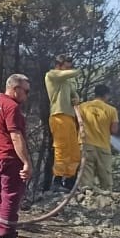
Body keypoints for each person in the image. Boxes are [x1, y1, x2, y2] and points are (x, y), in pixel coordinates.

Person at [0, 73, 34, 238]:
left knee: (2, 197)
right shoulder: (11, 107)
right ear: (15, 89)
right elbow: (15, 136)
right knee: (11, 197)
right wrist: (26, 162)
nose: (27, 96)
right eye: (26, 91)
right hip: (10, 157)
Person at [44, 56, 82, 192]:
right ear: (59, 65)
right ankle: (57, 180)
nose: (69, 69)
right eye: (67, 66)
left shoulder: (66, 81)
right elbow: (69, 74)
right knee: (62, 148)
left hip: (70, 117)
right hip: (58, 115)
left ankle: (69, 182)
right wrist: (78, 70)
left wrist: (76, 98)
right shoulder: (52, 75)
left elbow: (74, 94)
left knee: (74, 151)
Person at [75, 84, 120, 192]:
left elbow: (77, 123)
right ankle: (107, 201)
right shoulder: (111, 110)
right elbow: (114, 130)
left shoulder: (82, 106)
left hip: (85, 145)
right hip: (103, 147)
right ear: (106, 95)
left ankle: (86, 199)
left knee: (86, 177)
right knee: (106, 179)